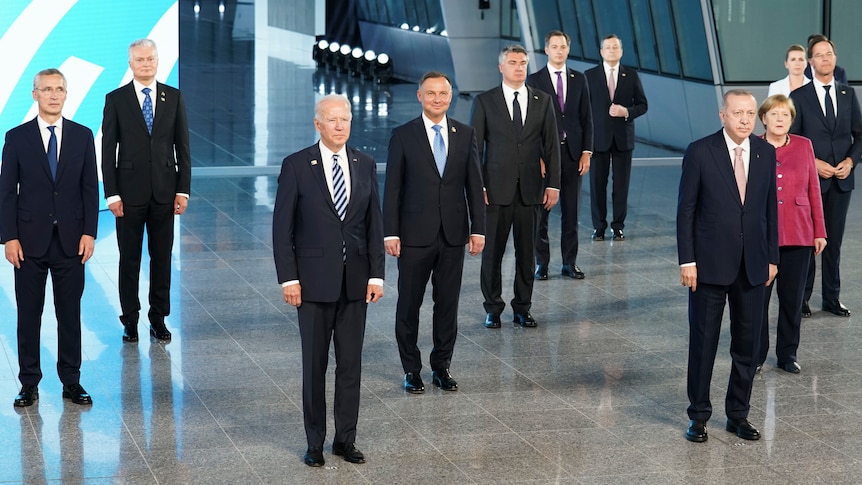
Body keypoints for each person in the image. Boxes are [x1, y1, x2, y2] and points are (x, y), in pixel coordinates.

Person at [272, 94, 385, 467]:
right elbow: (282, 228)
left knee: (350, 365)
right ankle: (315, 442)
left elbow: (373, 225)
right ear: (317, 124)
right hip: (313, 284)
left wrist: (376, 275)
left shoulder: (364, 163)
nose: (340, 126)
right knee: (314, 366)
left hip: (355, 284)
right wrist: (289, 279)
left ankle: (345, 440)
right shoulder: (297, 165)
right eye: (333, 120)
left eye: (346, 120)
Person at [678, 90, 778, 443]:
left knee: (748, 345)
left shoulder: (766, 153)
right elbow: (686, 210)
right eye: (738, 113)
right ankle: (699, 416)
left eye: (750, 113)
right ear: (723, 115)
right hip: (708, 265)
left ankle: (738, 414)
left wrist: (771, 258)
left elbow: (770, 211)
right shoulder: (700, 151)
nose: (745, 120)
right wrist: (687, 260)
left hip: (752, 265)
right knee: (703, 343)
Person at [0, 68, 98, 407]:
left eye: (59, 89)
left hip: (71, 241)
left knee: (69, 314)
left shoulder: (83, 136)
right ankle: (29, 383)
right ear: (35, 94)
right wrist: (8, 237)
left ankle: (71, 381)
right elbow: (6, 192)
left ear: (66, 94)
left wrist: (89, 232)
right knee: (29, 314)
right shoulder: (16, 137)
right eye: (47, 89)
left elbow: (89, 188)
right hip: (28, 242)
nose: (54, 95)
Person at [383, 72, 485, 394]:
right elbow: (393, 190)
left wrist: (478, 229)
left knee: (448, 304)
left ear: (451, 95)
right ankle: (411, 369)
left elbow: (474, 184)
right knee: (409, 304)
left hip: (453, 235)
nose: (437, 98)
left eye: (443, 93)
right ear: (420, 97)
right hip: (413, 236)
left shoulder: (465, 134)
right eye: (431, 93)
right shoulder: (403, 136)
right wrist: (390, 233)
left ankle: (442, 366)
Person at [101, 38, 191, 343]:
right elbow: (107, 150)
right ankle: (130, 319)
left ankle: (158, 318)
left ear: (157, 60)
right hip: (128, 195)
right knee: (129, 259)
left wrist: (183, 191)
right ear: (130, 63)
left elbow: (183, 147)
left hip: (165, 193)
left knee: (162, 257)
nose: (145, 64)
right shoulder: (116, 99)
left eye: (150, 58)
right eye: (139, 60)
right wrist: (111, 194)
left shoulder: (174, 97)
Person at [470, 44, 560, 329]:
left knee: (526, 253)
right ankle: (492, 308)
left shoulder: (542, 100)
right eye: (513, 62)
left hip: (532, 190)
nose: (519, 67)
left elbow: (551, 146)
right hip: (495, 191)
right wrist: (479, 187)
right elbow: (475, 149)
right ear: (501, 67)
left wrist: (553, 185)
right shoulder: (485, 101)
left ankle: (523, 307)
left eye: (523, 62)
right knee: (492, 254)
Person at [790, 37, 862, 318]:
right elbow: (792, 139)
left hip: (841, 180)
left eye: (829, 54)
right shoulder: (800, 96)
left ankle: (831, 298)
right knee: (808, 242)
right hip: (811, 181)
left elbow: (860, 135)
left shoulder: (847, 94)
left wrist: (850, 162)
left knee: (834, 242)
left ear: (835, 57)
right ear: (811, 62)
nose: (825, 59)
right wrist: (814, 163)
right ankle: (802, 298)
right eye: (819, 55)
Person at [756, 94, 826, 374]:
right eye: (774, 114)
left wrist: (819, 230)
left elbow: (813, 190)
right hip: (763, 236)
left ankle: (787, 354)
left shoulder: (804, 145)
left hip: (799, 234)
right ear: (764, 119)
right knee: (758, 302)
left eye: (785, 115)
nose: (780, 119)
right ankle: (756, 356)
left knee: (792, 300)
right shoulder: (752, 146)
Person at [528, 30, 593, 281]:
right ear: (546, 50)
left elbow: (587, 118)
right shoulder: (534, 80)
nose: (558, 50)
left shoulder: (579, 79)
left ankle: (569, 262)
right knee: (541, 212)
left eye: (562, 46)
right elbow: (530, 123)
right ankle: (541, 263)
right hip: (545, 156)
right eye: (553, 46)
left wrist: (586, 152)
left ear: (568, 49)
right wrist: (537, 156)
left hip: (573, 154)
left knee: (572, 212)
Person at [585, 34, 648, 241]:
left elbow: (642, 105)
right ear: (601, 52)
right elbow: (583, 109)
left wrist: (626, 111)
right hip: (598, 139)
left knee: (621, 185)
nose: (612, 50)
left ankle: (618, 225)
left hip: (623, 138)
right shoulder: (590, 75)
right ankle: (599, 226)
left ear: (621, 51)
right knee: (597, 185)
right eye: (608, 47)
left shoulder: (630, 75)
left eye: (616, 47)